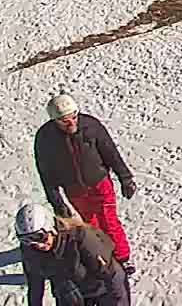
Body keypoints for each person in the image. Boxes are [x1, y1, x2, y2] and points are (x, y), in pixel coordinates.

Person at [34, 95, 137, 273]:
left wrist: (125, 178)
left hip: (99, 183)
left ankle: (122, 257)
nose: (71, 123)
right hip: (74, 189)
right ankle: (101, 255)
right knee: (90, 225)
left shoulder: (91, 126)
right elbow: (45, 172)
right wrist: (57, 202)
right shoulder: (45, 138)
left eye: (74, 117)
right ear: (55, 120)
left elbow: (110, 152)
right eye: (65, 121)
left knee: (108, 220)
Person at [16, 202, 129, 306]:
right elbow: (35, 286)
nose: (38, 245)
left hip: (102, 289)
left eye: (41, 237)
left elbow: (112, 275)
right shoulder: (30, 251)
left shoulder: (81, 238)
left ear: (51, 228)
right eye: (27, 240)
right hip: (69, 294)